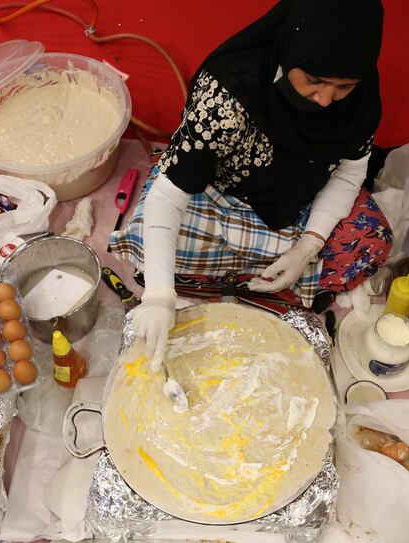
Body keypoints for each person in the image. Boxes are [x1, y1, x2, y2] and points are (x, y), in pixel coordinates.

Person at [109, 0, 392, 366]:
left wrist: (308, 246)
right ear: (291, 48)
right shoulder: (228, 92)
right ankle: (251, 282)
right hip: (218, 195)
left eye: (343, 86)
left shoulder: (362, 93)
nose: (325, 100)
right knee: (149, 233)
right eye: (315, 80)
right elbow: (171, 193)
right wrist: (160, 296)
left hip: (305, 196)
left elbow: (350, 172)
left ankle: (231, 278)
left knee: (370, 241)